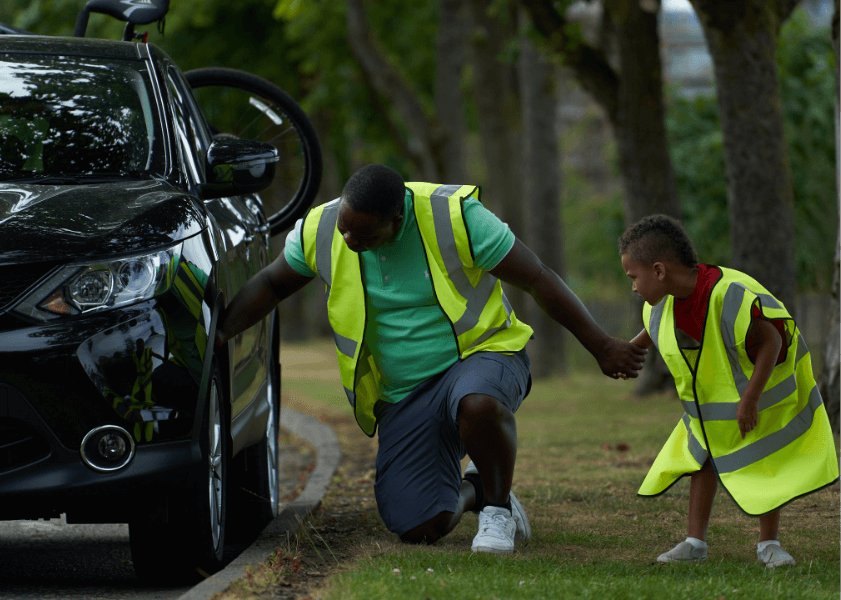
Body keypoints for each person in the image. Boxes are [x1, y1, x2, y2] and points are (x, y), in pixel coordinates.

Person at [218, 163, 646, 553]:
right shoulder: (323, 227)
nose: (350, 242)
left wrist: (601, 345)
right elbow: (272, 285)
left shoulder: (455, 215)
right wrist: (219, 334)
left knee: (478, 403)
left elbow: (537, 278)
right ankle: (479, 488)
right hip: (405, 392)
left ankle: (497, 513)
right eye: (347, 230)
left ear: (397, 220)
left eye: (364, 236)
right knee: (419, 524)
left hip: (485, 356)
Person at [618, 214, 839, 567]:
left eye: (633, 277)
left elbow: (770, 340)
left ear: (658, 270)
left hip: (762, 394)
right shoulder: (667, 302)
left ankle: (769, 544)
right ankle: (694, 543)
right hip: (713, 409)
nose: (632, 287)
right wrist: (628, 351)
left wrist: (750, 401)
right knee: (703, 459)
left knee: (765, 461)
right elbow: (653, 328)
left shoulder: (727, 295)